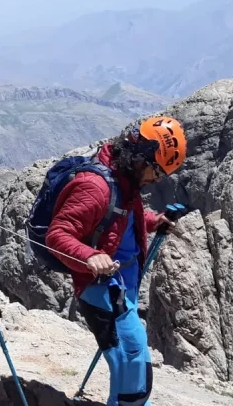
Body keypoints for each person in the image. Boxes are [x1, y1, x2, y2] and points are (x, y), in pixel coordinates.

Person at [45, 116, 187, 405]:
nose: (157, 179)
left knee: (131, 366)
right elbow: (57, 235)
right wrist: (90, 255)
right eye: (157, 171)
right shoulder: (96, 186)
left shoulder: (122, 177)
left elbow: (120, 218)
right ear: (140, 157)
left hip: (121, 286)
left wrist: (151, 221)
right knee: (131, 365)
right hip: (102, 288)